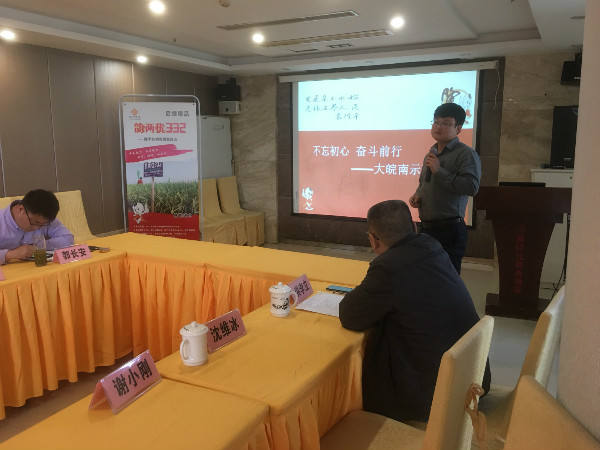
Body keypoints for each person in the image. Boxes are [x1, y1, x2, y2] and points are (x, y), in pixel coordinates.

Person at [339, 200, 490, 422]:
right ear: (415, 227)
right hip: (473, 376)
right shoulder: (432, 246)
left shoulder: (388, 267)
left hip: (437, 394)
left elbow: (350, 315)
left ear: (373, 240)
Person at [409, 103, 481, 273]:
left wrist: (439, 171)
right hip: (426, 228)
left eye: (446, 123)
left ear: (458, 128)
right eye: (436, 122)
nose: (438, 127)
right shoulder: (431, 153)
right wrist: (418, 196)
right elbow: (424, 183)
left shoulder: (466, 154)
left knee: (446, 279)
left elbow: (471, 187)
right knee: (426, 277)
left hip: (449, 230)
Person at [0, 189, 74, 265]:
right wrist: (10, 254)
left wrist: (40, 246)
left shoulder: (44, 215)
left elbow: (67, 238)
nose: (37, 228)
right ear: (21, 210)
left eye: (42, 225)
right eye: (35, 223)